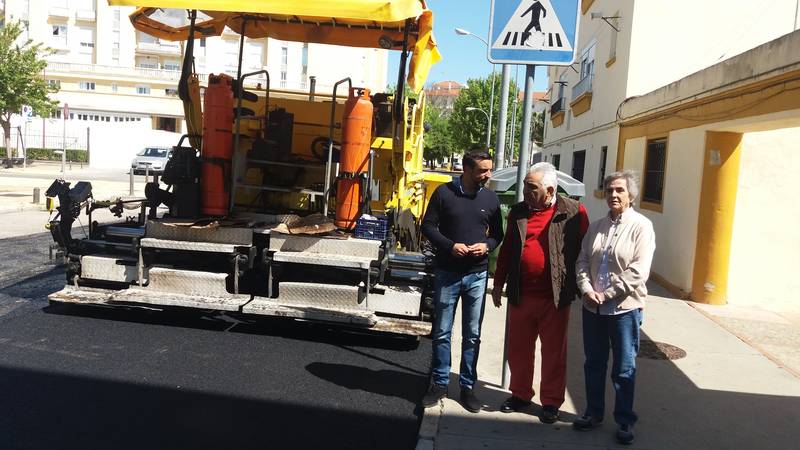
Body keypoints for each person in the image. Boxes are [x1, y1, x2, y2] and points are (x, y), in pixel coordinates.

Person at [492, 162, 588, 424]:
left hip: (555, 297)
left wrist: (584, 285)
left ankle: (551, 402)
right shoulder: (518, 212)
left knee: (554, 353)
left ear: (550, 190)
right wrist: (498, 283)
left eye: (531, 187)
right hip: (521, 293)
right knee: (519, 350)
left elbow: (585, 250)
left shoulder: (574, 211)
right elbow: (507, 249)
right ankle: (520, 395)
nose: (525, 191)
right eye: (525, 185)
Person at [572, 170, 656, 445]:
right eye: (609, 190)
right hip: (592, 308)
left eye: (620, 190)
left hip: (624, 309)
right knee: (594, 363)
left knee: (624, 367)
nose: (614, 195)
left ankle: (624, 420)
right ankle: (593, 413)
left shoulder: (642, 227)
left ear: (631, 195)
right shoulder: (596, 227)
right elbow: (582, 261)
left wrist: (607, 294)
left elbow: (638, 271)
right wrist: (586, 289)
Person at [420, 148, 504, 413]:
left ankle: (467, 387)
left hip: (477, 275)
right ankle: (440, 383)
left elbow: (498, 234)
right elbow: (427, 226)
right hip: (447, 273)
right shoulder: (443, 194)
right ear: (466, 170)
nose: (488, 175)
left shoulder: (490, 198)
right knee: (442, 332)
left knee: (472, 335)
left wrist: (486, 245)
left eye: (489, 170)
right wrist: (450, 246)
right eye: (482, 171)